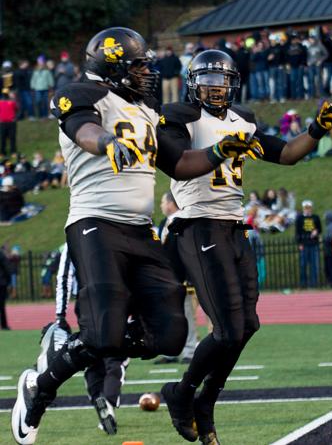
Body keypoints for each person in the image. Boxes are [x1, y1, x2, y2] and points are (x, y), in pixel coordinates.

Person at [11, 27, 260, 445]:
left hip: (141, 231)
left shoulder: (145, 106)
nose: (148, 70)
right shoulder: (81, 94)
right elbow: (83, 130)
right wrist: (106, 141)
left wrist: (221, 151)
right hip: (95, 224)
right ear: (112, 67)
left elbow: (179, 164)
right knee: (104, 333)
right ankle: (41, 385)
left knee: (169, 334)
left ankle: (70, 347)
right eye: (138, 64)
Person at [158, 48, 332, 445]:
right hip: (198, 224)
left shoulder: (242, 119)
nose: (215, 89)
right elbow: (176, 163)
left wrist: (315, 130)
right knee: (227, 331)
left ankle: (206, 399)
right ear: (193, 85)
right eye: (208, 82)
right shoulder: (181, 117)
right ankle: (183, 391)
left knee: (248, 326)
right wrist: (218, 151)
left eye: (222, 82)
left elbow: (287, 154)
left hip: (232, 227)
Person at [37, 242, 129, 435]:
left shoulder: (74, 234)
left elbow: (64, 277)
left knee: (91, 356)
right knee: (116, 356)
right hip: (117, 298)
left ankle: (100, 400)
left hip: (87, 303)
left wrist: (60, 316)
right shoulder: (116, 227)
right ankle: (109, 400)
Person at [154, 191, 199, 365]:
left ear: (171, 203)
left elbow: (188, 251)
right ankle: (170, 351)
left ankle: (189, 350)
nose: (161, 205)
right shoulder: (164, 223)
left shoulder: (183, 222)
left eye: (163, 202)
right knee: (168, 316)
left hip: (181, 277)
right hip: (166, 279)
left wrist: (189, 276)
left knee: (186, 315)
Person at [296, 200, 322, 288]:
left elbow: (320, 229)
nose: (307, 210)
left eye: (309, 208)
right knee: (303, 264)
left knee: (314, 265)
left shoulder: (316, 217)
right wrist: (299, 243)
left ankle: (314, 283)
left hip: (314, 244)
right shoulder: (300, 218)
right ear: (304, 209)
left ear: (311, 208)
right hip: (304, 244)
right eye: (306, 208)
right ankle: (303, 283)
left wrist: (316, 231)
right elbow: (297, 232)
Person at [0, 90, 17, 156]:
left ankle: (13, 152)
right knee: (3, 137)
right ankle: (2, 152)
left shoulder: (12, 102)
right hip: (3, 123)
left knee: (12, 137)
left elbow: (16, 109)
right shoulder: (1, 102)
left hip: (11, 122)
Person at [0, 246, 11, 329]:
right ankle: (3, 324)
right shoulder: (1, 254)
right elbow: (7, 268)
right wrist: (8, 280)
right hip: (1, 282)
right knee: (1, 304)